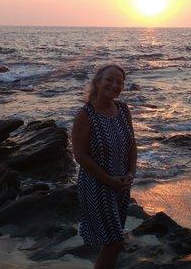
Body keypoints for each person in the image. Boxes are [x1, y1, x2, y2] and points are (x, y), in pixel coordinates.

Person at [71, 63, 138, 269]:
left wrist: (131, 174)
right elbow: (80, 155)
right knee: (115, 242)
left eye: (119, 82)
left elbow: (132, 144)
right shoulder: (86, 114)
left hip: (122, 185)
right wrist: (109, 180)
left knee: (113, 242)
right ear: (97, 82)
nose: (114, 85)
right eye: (109, 79)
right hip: (96, 186)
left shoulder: (123, 109)